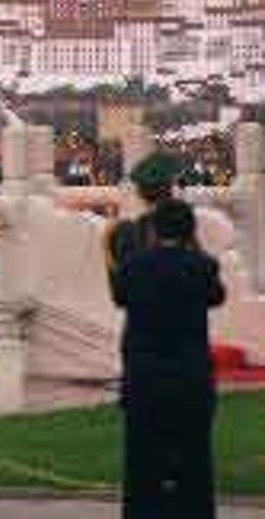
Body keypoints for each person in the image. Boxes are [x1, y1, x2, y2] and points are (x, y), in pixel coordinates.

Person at [113, 198, 226, 519]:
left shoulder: (134, 266)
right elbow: (216, 296)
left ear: (154, 229)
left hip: (145, 379)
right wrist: (196, 248)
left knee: (142, 466)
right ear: (190, 230)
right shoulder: (201, 266)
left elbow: (120, 296)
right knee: (194, 463)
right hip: (189, 378)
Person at [105, 151, 183, 303]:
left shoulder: (117, 232)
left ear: (140, 192)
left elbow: (119, 296)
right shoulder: (185, 230)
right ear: (171, 192)